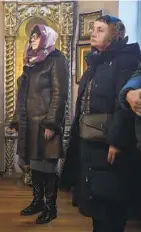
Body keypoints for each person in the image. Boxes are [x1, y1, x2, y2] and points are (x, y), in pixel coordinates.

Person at [61, 15, 141, 231]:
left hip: (109, 144)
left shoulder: (125, 60)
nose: (93, 33)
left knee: (111, 205)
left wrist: (116, 141)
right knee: (96, 203)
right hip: (91, 142)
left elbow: (123, 105)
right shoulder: (97, 61)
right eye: (93, 29)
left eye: (100, 29)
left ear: (116, 35)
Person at [10, 25, 68, 224]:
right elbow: (22, 95)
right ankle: (37, 202)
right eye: (31, 37)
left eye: (37, 36)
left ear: (46, 39)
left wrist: (52, 123)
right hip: (30, 124)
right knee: (35, 166)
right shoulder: (32, 62)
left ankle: (51, 208)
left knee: (48, 167)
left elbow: (59, 95)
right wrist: (18, 119)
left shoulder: (56, 60)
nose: (32, 40)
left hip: (45, 123)